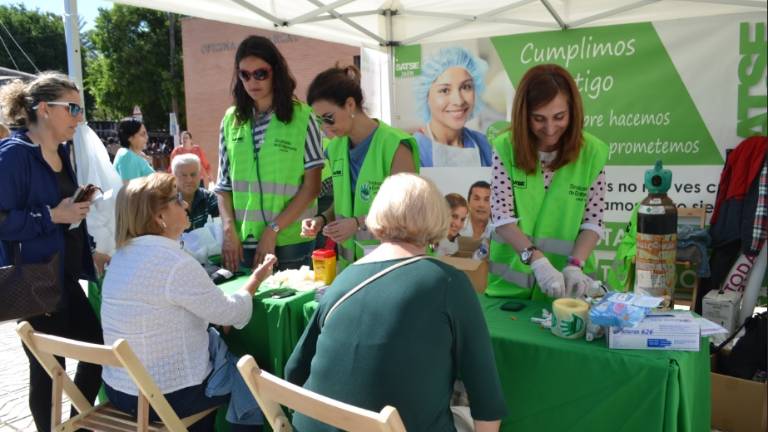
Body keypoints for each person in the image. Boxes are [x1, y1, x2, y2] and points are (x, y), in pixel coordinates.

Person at [286, 173, 507, 432]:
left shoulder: (344, 279)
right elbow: (486, 396)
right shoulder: (448, 282)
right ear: (438, 218)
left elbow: (294, 371)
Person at [101, 173, 276, 432]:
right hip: (167, 396)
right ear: (159, 217)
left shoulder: (120, 259)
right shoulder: (174, 263)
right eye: (176, 199)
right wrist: (256, 279)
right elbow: (231, 313)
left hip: (120, 391)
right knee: (251, 375)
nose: (185, 205)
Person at [0, 72, 103, 432]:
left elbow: (61, 216)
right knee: (47, 369)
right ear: (44, 109)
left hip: (64, 274)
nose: (79, 117)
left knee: (98, 352)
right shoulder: (13, 156)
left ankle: (75, 427)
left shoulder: (61, 151)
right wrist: (52, 215)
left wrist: (79, 225)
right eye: (72, 108)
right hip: (31, 278)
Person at [487, 64, 608, 300]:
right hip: (511, 290)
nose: (550, 129)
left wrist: (574, 265)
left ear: (573, 112)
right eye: (539, 119)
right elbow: (501, 217)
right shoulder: (505, 147)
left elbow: (593, 222)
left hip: (570, 292)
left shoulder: (593, 152)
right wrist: (537, 262)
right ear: (524, 115)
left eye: (559, 117)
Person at [216, 35, 322, 272]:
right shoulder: (230, 120)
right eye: (245, 74)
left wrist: (273, 229)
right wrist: (228, 228)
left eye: (260, 73)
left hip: (292, 241)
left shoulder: (303, 117)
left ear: (276, 72)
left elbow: (312, 187)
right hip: (245, 242)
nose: (253, 81)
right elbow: (223, 186)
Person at [299, 65, 419, 270]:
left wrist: (357, 223)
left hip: (393, 265)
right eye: (319, 121)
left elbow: (406, 211)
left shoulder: (395, 145)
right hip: (351, 268)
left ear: (350, 105)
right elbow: (345, 203)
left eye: (328, 118)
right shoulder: (335, 148)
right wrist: (322, 219)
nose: (325, 128)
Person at [413, 47, 493, 167]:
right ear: (426, 96)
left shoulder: (485, 145)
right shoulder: (412, 151)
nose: (459, 101)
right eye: (444, 90)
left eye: (466, 87)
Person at [172, 153, 220, 232]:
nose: (189, 180)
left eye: (193, 174)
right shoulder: (167, 203)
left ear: (200, 175)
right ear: (174, 177)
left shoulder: (210, 199)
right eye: (184, 175)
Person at [112, 117, 154, 183]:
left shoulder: (134, 154)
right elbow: (130, 190)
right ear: (130, 138)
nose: (147, 137)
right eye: (143, 134)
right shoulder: (127, 156)